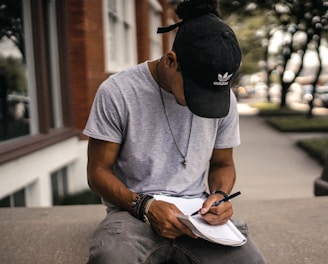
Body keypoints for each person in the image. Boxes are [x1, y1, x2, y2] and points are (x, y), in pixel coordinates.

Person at [83, 0, 267, 263]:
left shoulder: (225, 99)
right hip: (132, 212)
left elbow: (223, 163)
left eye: (214, 92)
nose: (206, 101)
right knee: (112, 258)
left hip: (198, 217)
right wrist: (145, 206)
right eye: (197, 91)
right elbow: (97, 172)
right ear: (171, 61)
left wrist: (219, 195)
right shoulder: (118, 92)